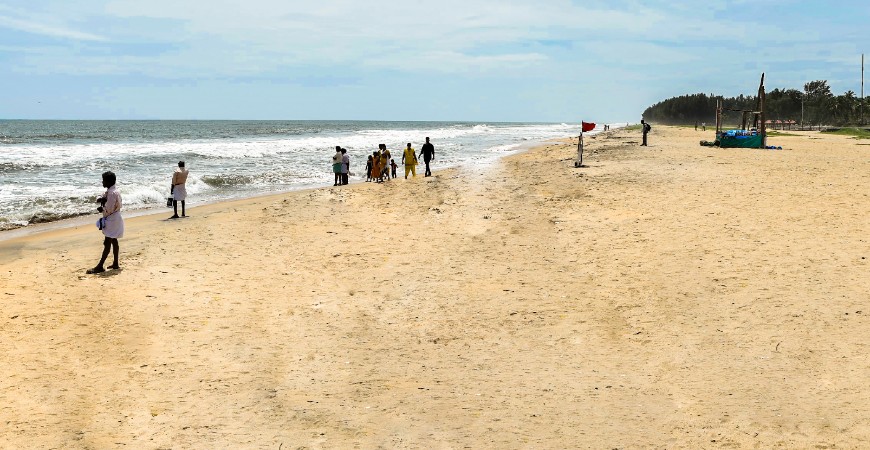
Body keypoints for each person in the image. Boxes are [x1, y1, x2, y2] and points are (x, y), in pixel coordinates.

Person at [87, 171, 124, 274]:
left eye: (104, 180)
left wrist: (102, 210)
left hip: (112, 218)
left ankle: (100, 266)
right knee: (114, 240)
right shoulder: (114, 191)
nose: (102, 182)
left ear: (109, 181)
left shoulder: (111, 193)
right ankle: (115, 263)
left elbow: (109, 209)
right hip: (116, 218)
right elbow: (103, 196)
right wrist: (101, 198)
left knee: (107, 242)